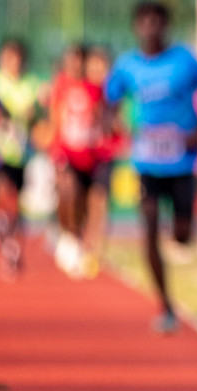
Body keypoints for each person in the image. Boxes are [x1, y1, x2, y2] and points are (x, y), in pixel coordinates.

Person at [105, 0, 197, 332]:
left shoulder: (185, 61)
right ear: (136, 27)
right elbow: (109, 101)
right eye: (144, 22)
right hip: (147, 162)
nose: (151, 27)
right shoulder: (127, 66)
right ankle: (165, 304)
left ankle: (181, 232)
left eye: (157, 21)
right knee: (149, 225)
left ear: (165, 25)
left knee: (182, 235)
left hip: (182, 161)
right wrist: (113, 123)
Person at [44, 43, 103, 275]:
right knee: (68, 191)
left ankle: (76, 235)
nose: (75, 64)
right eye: (71, 59)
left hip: (88, 154)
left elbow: (101, 116)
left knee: (84, 202)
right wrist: (53, 145)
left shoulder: (95, 87)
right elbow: (54, 118)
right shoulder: (61, 85)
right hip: (65, 151)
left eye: (79, 60)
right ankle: (66, 235)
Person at [0, 37, 42, 277]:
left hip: (21, 153)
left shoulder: (33, 84)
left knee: (14, 203)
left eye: (17, 59)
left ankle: (12, 247)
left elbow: (38, 113)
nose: (13, 63)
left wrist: (32, 115)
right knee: (0, 193)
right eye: (9, 58)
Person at [79, 44, 122, 278]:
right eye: (94, 64)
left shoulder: (113, 92)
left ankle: (95, 248)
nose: (99, 69)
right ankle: (79, 238)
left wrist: (116, 128)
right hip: (83, 153)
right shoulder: (81, 89)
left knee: (100, 199)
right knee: (82, 198)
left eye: (103, 65)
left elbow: (120, 120)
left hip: (105, 153)